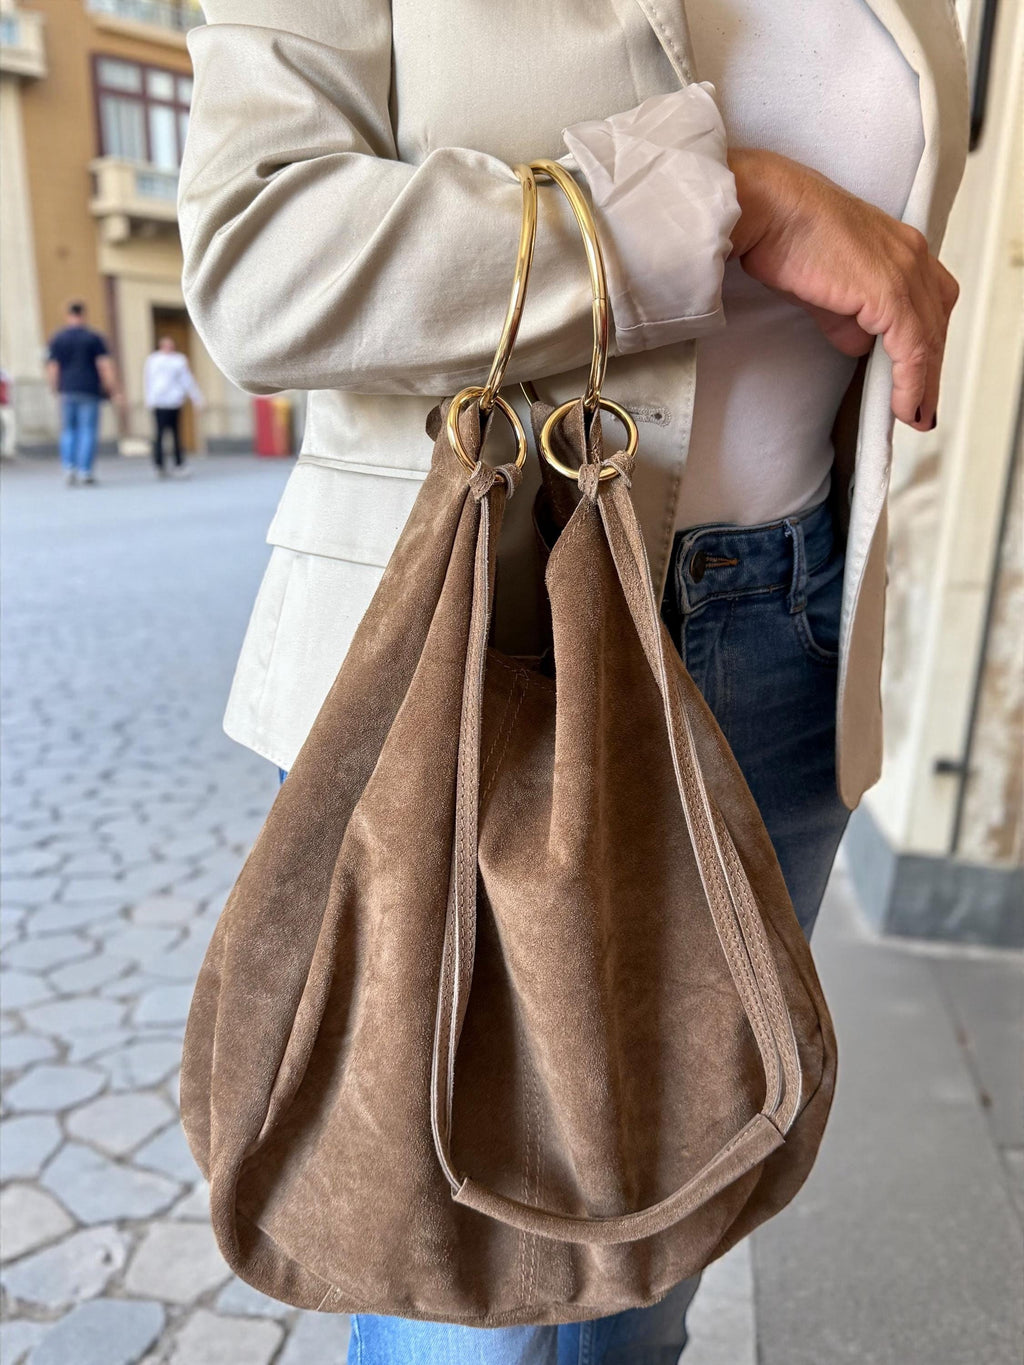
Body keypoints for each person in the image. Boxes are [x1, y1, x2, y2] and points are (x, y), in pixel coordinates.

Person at [178, 0, 967, 1359]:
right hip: (478, 652)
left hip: (784, 636)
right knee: (460, 1309)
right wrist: (712, 208)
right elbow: (260, 251)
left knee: (648, 1268)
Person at [46, 301, 121, 486]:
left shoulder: (59, 338)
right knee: (87, 430)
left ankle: (69, 467)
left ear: (68, 315)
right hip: (89, 389)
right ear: (83, 315)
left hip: (68, 389)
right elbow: (104, 365)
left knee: (68, 430)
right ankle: (85, 471)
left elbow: (53, 367)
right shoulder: (93, 338)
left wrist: (55, 387)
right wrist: (112, 388)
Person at [143, 336, 204, 478]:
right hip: (159, 402)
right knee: (159, 434)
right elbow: (148, 380)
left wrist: (197, 398)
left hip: (174, 402)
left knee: (176, 434)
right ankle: (159, 465)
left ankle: (179, 464)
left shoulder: (179, 360)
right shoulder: (153, 360)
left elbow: (187, 380)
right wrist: (149, 400)